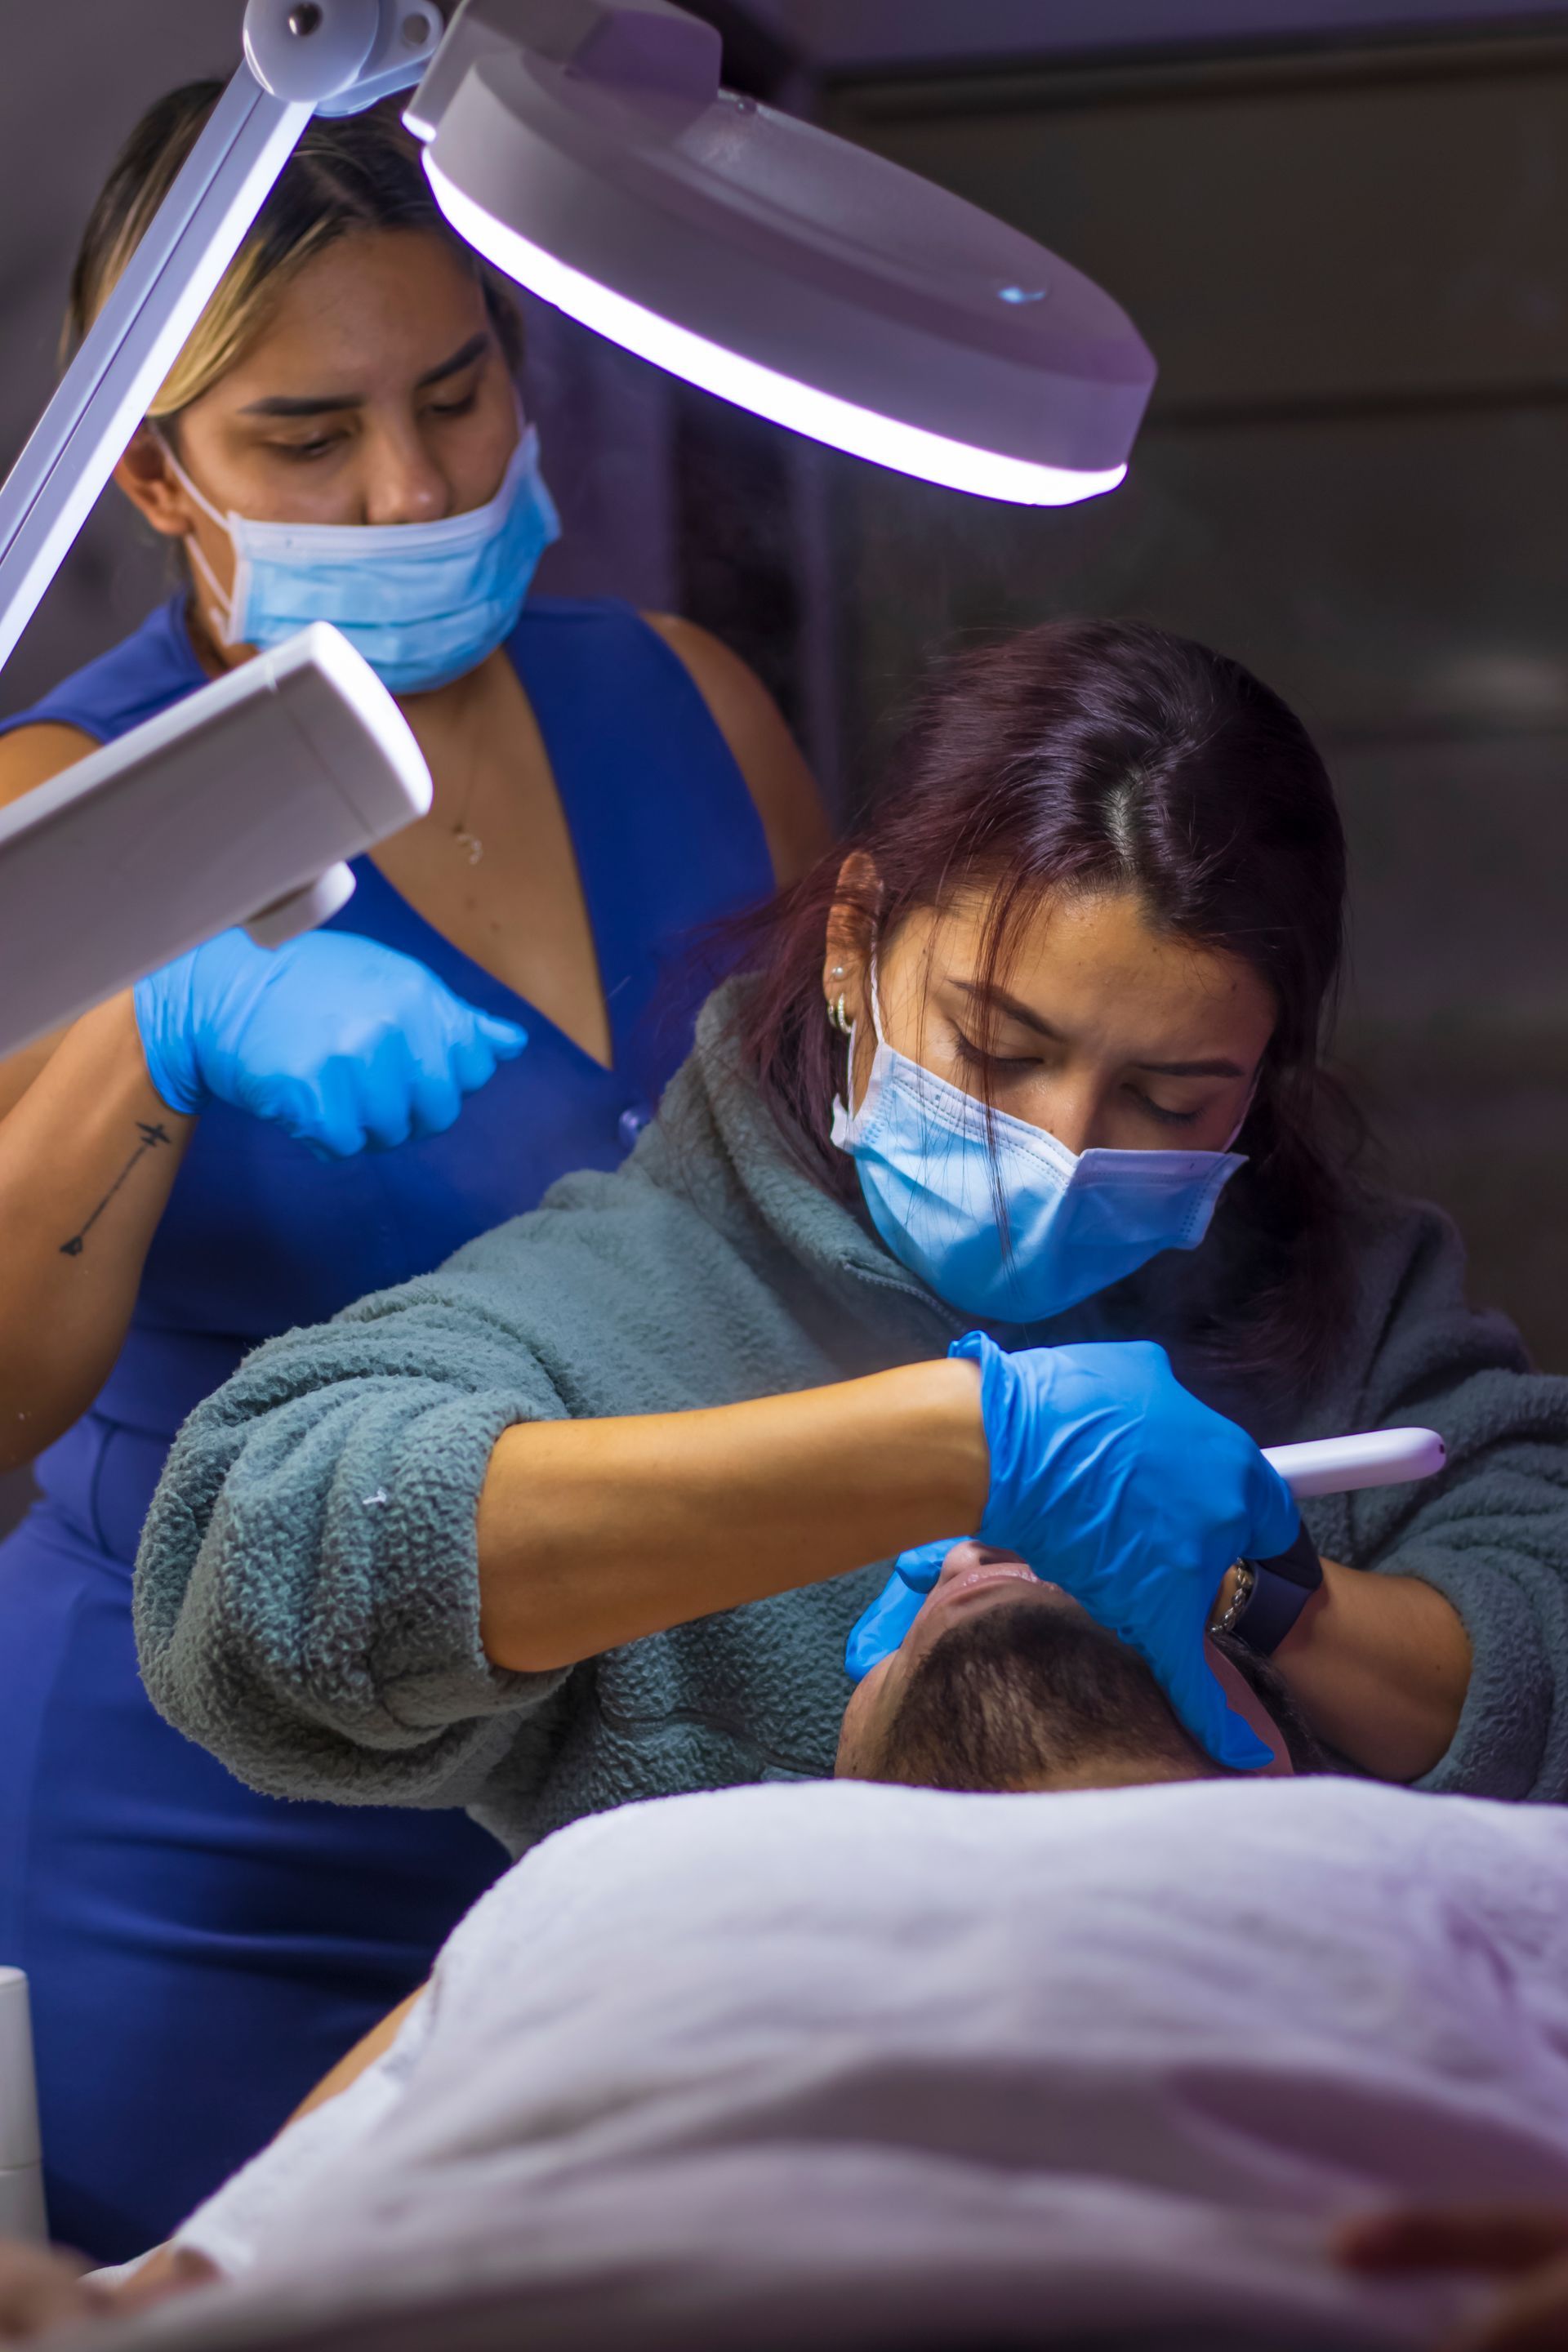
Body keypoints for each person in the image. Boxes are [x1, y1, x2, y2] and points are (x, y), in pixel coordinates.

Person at [135, 616, 1568, 1881]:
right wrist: (964, 1450)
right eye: (999, 1050)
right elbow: (247, 1584)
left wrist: (1262, 1593)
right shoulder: (611, 1307)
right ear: (853, 942)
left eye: (1169, 1098)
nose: (1062, 1146)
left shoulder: (1354, 1302)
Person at [0, 85, 827, 2258]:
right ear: (157, 474)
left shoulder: (690, 704)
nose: (414, 486)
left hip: (655, 1778)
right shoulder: (59, 808)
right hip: (212, 1837)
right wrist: (151, 1024)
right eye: (307, 438)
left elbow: (853, 1203)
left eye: (457, 396)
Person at [9, 1764, 1568, 2351]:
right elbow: (202, 2270)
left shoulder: (1496, 1852)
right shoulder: (623, 1863)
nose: (997, 1563)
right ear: (853, 1746)